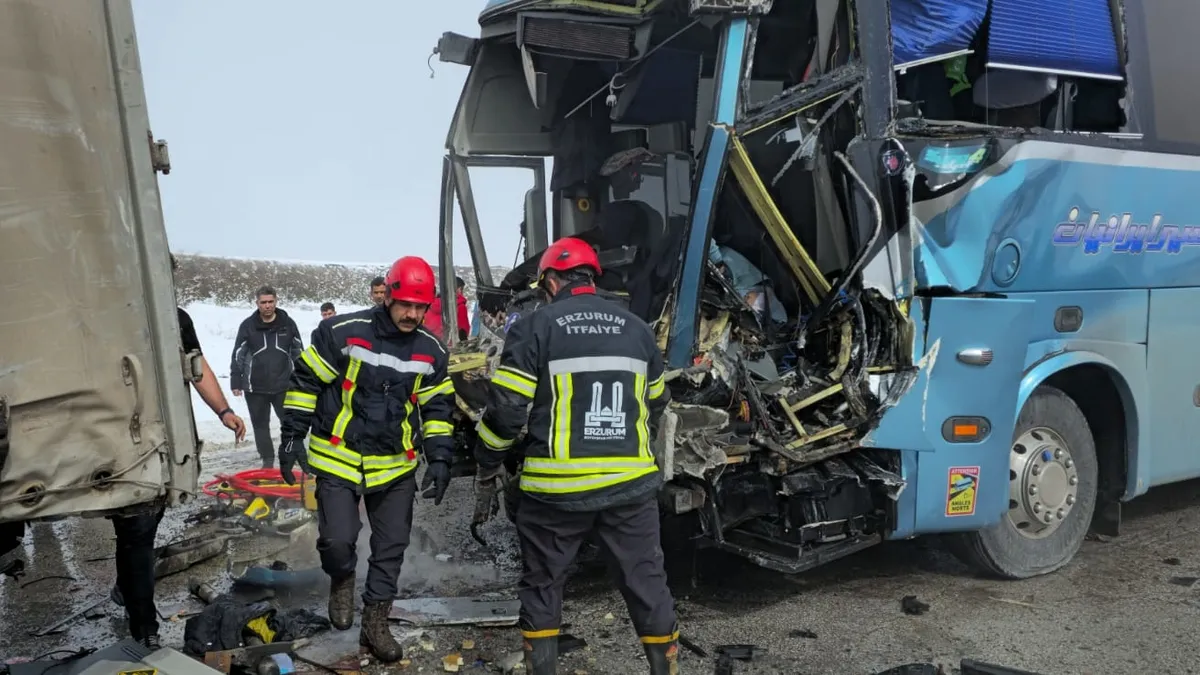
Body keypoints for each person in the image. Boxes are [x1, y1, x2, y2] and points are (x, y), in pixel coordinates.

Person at [1, 254, 247, 650]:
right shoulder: (95, 319)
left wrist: (224, 411)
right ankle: (139, 615)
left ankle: (136, 610)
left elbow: (196, 370)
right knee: (133, 532)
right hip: (109, 443)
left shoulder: (176, 320)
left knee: (139, 532)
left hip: (156, 443)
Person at [470, 237, 677, 674]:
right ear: (592, 278)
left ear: (549, 279)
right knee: (647, 584)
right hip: (629, 487)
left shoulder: (535, 326)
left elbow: (507, 412)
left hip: (556, 494)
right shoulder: (637, 328)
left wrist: (487, 459)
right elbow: (658, 400)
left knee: (544, 586)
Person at [278, 256, 457, 662]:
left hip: (395, 465)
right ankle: (341, 578)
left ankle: (375, 621)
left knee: (391, 545)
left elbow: (437, 408)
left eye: (420, 307)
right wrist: (291, 437)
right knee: (338, 542)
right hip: (338, 458)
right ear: (388, 297)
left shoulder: (431, 351)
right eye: (406, 304)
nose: (412, 314)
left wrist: (441, 457)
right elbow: (305, 382)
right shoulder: (341, 333)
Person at [230, 286, 303, 468]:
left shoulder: (288, 323)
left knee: (289, 424)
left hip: (284, 386)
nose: (267, 306)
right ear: (257, 303)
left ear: (276, 301)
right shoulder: (248, 326)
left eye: (271, 302)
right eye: (263, 302)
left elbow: (298, 352)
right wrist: (235, 380)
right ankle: (268, 461)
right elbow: (238, 354)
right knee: (260, 426)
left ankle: (294, 457)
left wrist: (303, 378)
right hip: (255, 387)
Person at [425, 276, 471, 342]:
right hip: (450, 347)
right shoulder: (459, 306)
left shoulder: (430, 305)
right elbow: (462, 330)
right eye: (462, 289)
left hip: (430, 344)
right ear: (458, 289)